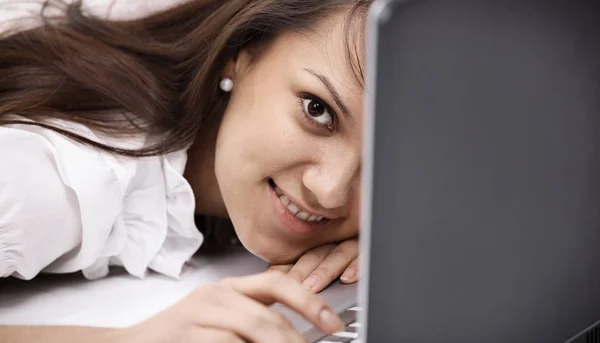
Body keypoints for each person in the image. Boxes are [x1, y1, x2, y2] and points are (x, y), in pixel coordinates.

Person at [0, 0, 371, 341]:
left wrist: (387, 246)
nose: (331, 190)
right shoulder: (54, 179)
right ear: (242, 52)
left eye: (382, 155)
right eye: (317, 110)